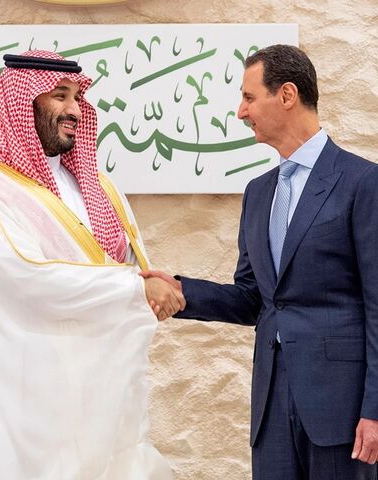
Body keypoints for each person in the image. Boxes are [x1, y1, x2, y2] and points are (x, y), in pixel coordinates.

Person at [0, 50, 184, 480]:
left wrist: (146, 286)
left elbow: (131, 265)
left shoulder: (100, 188)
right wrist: (133, 289)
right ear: (24, 104)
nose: (75, 109)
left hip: (102, 407)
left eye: (77, 97)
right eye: (60, 96)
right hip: (21, 409)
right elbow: (24, 278)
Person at [143, 44, 378, 479]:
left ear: (286, 95)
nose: (240, 112)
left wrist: (375, 410)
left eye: (249, 98)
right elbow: (255, 299)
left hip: (343, 415)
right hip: (272, 411)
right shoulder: (258, 193)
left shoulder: (363, 183)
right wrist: (181, 290)